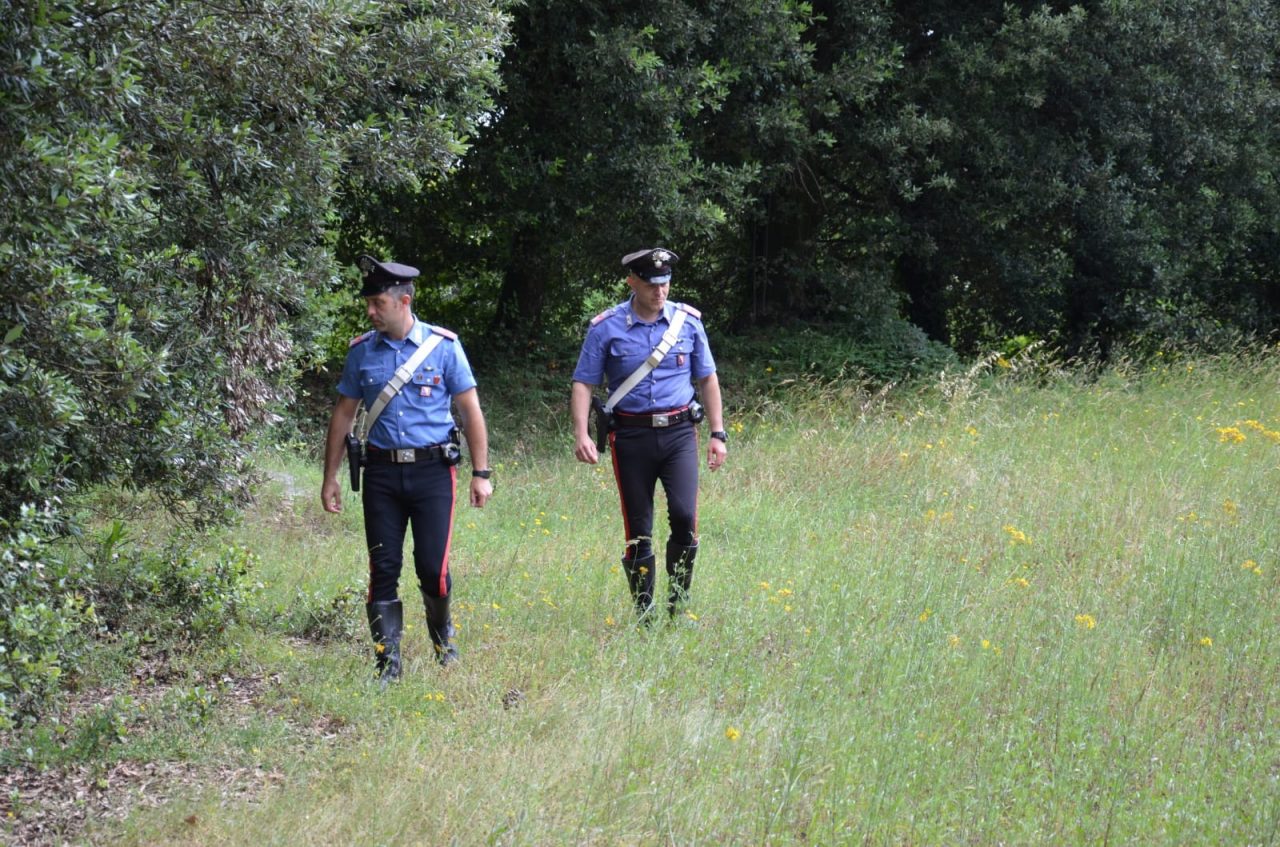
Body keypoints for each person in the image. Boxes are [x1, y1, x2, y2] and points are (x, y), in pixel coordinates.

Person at [322, 255, 493, 681]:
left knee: (432, 569)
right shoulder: (362, 353)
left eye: (378, 302)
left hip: (433, 473)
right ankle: (387, 663)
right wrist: (330, 477)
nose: (370, 311)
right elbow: (343, 415)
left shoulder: (443, 347)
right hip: (380, 474)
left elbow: (471, 410)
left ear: (404, 300)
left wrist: (481, 472)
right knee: (383, 567)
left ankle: (443, 637)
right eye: (369, 303)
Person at [570, 247, 727, 622]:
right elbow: (583, 383)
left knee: (685, 517)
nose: (661, 291)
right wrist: (581, 434)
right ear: (632, 282)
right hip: (631, 437)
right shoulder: (606, 327)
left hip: (678, 434)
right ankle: (644, 612)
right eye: (653, 284)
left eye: (666, 283)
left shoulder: (687, 322)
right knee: (639, 527)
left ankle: (677, 602)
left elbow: (707, 377)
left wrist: (718, 433)